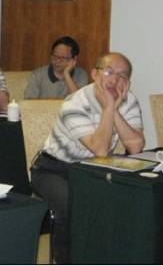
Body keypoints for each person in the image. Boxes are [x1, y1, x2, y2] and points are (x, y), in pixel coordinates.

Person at [30, 52, 145, 264]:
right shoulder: (75, 103)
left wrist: (113, 108)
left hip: (93, 170)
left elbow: (136, 145)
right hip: (53, 169)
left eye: (122, 75)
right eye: (109, 72)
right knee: (71, 205)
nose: (115, 80)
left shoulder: (128, 101)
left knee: (128, 200)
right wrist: (109, 107)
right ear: (94, 74)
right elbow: (99, 149)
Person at [24, 36, 88, 99]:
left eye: (63, 57)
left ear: (74, 59)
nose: (57, 61)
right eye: (54, 55)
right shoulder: (38, 75)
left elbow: (79, 101)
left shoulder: (81, 75)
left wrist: (66, 74)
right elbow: (28, 102)